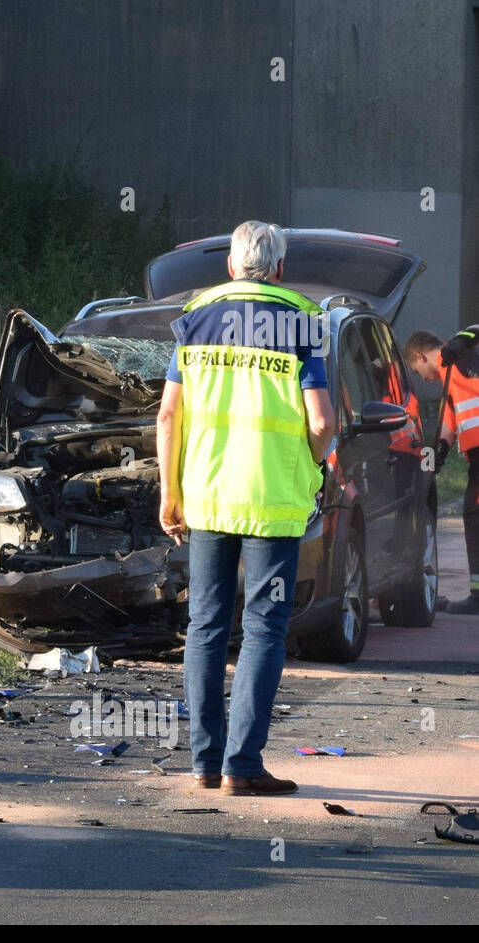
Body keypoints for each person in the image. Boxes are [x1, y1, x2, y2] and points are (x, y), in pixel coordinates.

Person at [156, 221, 336, 795]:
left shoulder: (196, 315)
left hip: (207, 497)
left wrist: (170, 494)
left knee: (205, 626)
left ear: (231, 267)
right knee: (263, 628)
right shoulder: (304, 320)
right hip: (272, 500)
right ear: (279, 269)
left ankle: (205, 764)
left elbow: (167, 417)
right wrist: (315, 460)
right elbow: (323, 422)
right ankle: (243, 766)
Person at [404, 328, 479, 614]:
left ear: (422, 356)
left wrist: (461, 341)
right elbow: (445, 432)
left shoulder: (460, 356)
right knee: (473, 517)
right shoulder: (450, 387)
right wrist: (429, 466)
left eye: (417, 369)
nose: (422, 378)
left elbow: (476, 329)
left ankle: (477, 596)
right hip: (476, 458)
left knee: (474, 517)